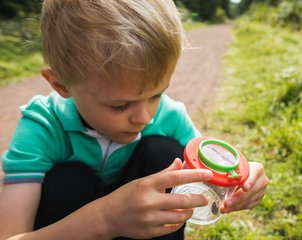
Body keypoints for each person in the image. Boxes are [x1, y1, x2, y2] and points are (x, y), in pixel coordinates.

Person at [0, 0, 269, 239]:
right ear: (60, 85)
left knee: (163, 152)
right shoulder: (43, 128)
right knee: (68, 180)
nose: (145, 117)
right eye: (120, 106)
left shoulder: (170, 116)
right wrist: (105, 218)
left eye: (156, 95)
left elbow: (210, 167)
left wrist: (240, 181)